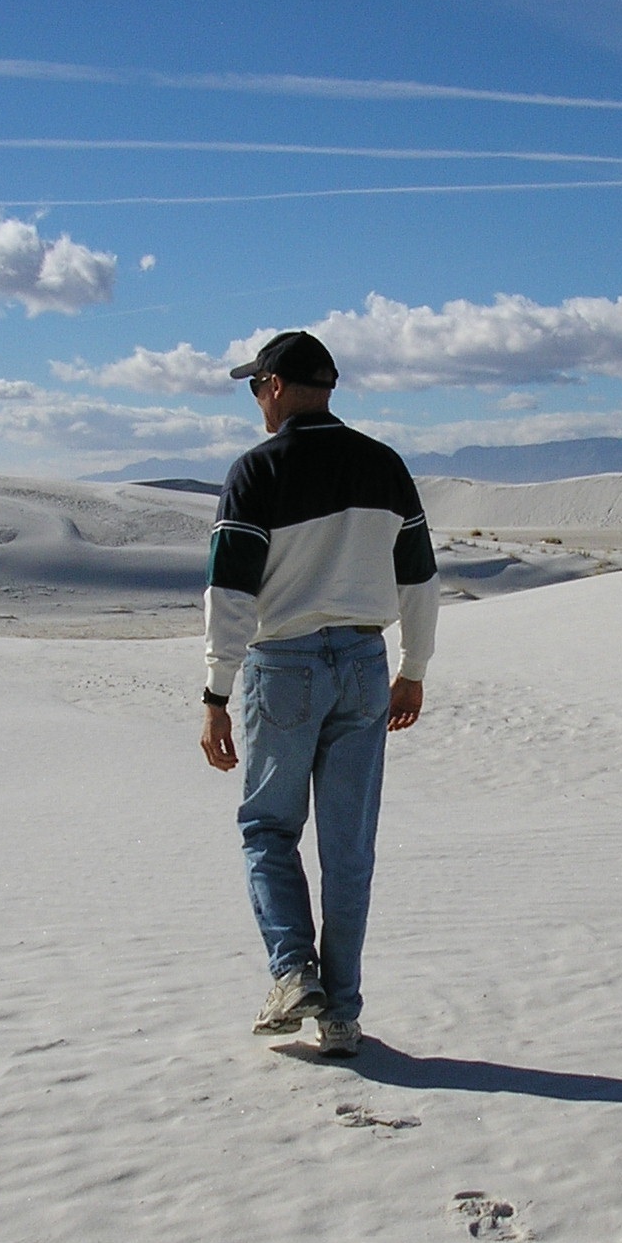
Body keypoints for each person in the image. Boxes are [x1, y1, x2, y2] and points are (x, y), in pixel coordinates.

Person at [198, 330, 439, 1059]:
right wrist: (414, 667)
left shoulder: (256, 470)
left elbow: (231, 594)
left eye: (254, 389)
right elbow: (420, 580)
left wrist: (215, 692)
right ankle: (342, 1015)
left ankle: (292, 971)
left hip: (286, 665)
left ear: (273, 387)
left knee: (269, 829)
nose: (255, 402)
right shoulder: (384, 465)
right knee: (348, 846)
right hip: (366, 665)